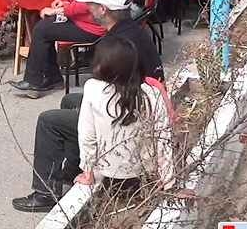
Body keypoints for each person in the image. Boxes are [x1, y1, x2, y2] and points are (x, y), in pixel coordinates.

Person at [10, 0, 165, 213]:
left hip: (127, 116)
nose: (88, 9)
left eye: (92, 5)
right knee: (70, 102)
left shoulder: (115, 43)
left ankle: (45, 192)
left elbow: (94, 114)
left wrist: (90, 167)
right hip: (136, 102)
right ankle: (71, 169)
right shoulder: (130, 31)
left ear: (103, 9)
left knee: (49, 120)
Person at [8, 0, 124, 98]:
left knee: (42, 29)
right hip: (85, 21)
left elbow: (85, 5)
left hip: (95, 27)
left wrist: (59, 10)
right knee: (44, 27)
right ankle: (50, 78)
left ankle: (35, 81)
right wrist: (65, 2)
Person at [74, 36, 174, 202]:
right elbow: (163, 139)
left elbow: (87, 135)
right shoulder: (151, 94)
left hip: (110, 175)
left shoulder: (93, 88)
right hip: (145, 175)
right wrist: (168, 183)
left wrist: (88, 172)